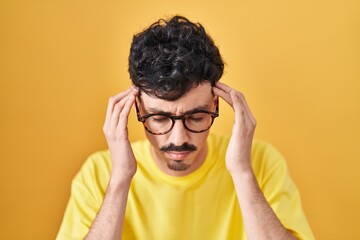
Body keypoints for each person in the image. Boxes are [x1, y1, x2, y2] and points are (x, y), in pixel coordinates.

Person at [57, 16, 314, 240]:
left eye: (196, 117)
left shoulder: (261, 163)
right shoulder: (98, 174)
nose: (179, 139)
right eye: (159, 118)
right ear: (137, 109)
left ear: (215, 104)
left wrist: (242, 173)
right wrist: (121, 178)